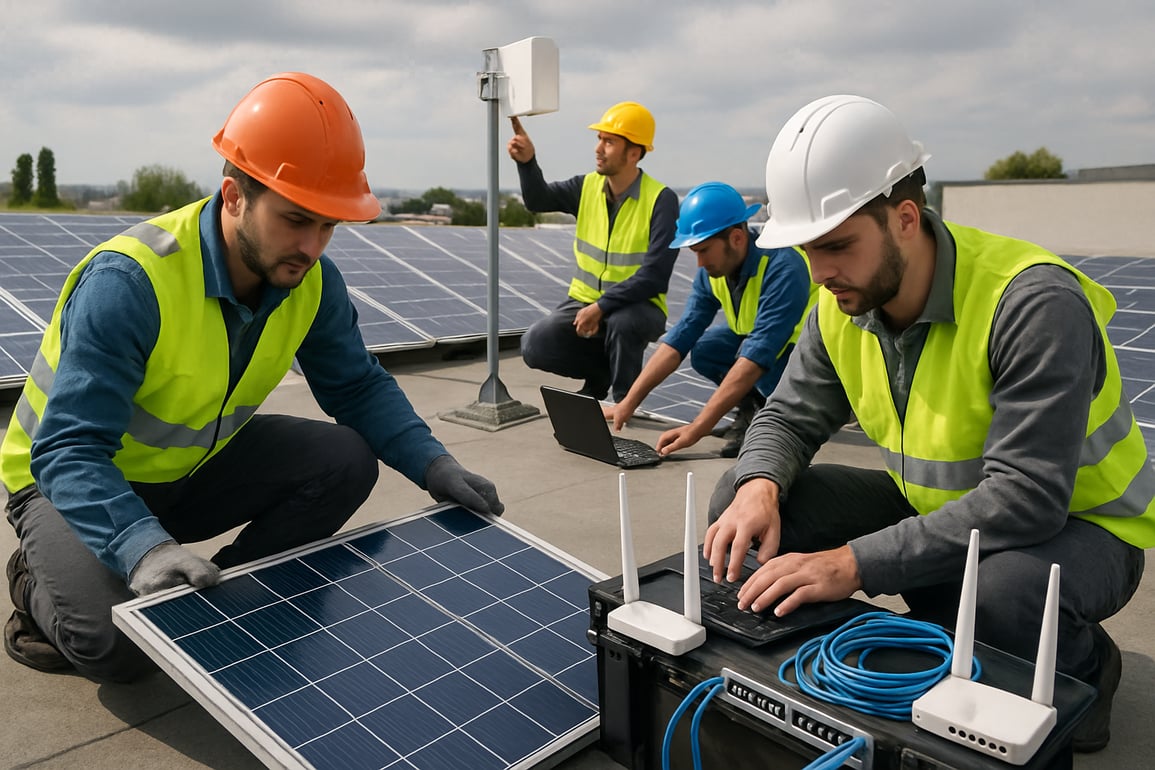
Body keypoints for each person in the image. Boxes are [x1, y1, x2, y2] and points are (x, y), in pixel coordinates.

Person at [1, 72, 503, 683]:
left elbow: (357, 386)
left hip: (187, 472)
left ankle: (223, 595)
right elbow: (69, 449)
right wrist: (142, 548)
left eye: (327, 226)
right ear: (234, 195)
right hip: (68, 485)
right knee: (121, 648)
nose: (312, 246)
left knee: (344, 458)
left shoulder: (309, 280)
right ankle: (36, 578)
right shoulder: (130, 283)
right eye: (296, 220)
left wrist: (435, 465)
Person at [703, 95, 1153, 752]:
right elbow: (788, 417)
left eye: (836, 246)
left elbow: (1025, 499)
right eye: (807, 250)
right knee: (742, 502)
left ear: (905, 219)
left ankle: (1082, 667)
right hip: (940, 507)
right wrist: (758, 486)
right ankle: (867, 653)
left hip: (1080, 526)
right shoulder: (840, 301)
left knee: (1001, 593)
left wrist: (853, 564)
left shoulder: (1030, 303)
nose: (820, 272)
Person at [604, 182, 817, 458]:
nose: (700, 264)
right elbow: (680, 338)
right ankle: (751, 408)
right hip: (763, 347)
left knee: (759, 365)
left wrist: (699, 427)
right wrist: (627, 403)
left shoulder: (784, 267)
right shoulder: (714, 272)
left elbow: (758, 355)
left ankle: (773, 418)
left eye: (703, 250)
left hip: (806, 359)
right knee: (706, 350)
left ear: (737, 238)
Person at [507, 102, 679, 402]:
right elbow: (537, 199)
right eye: (599, 139)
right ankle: (601, 374)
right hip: (585, 301)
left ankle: (623, 401)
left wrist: (601, 308)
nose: (599, 148)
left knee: (623, 323)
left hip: (639, 306)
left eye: (609, 141)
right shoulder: (585, 187)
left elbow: (655, 276)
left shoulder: (661, 200)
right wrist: (527, 162)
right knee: (535, 344)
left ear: (634, 153)